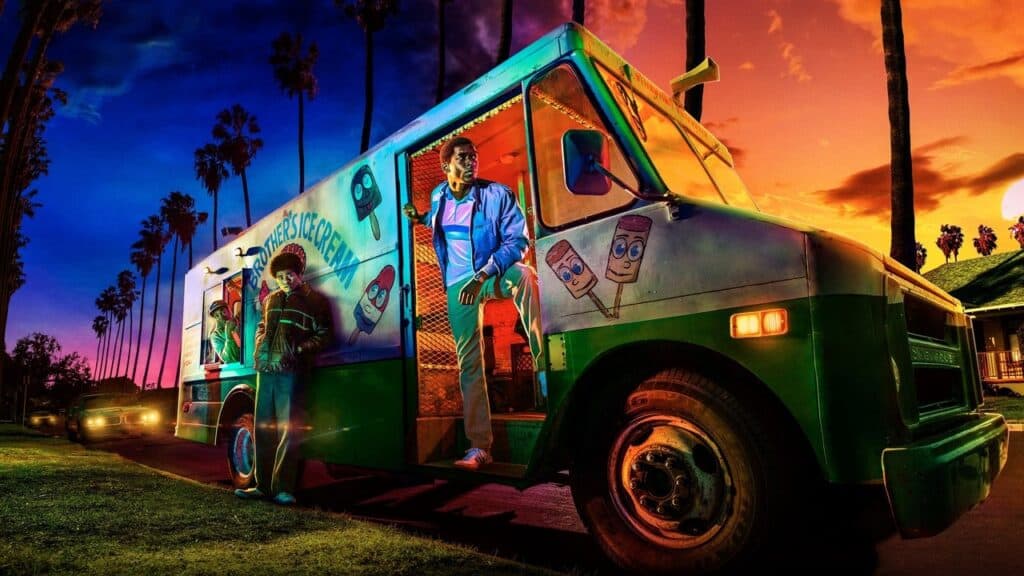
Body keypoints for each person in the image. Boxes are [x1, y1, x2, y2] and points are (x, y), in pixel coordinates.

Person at [403, 136, 545, 470]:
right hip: (457, 286)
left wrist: (481, 276)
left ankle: (544, 368)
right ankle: (479, 447)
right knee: (469, 364)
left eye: (474, 158)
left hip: (488, 274)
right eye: (463, 158)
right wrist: (419, 218)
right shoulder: (438, 194)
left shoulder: (497, 194)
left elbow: (518, 241)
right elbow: (439, 223)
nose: (471, 164)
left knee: (524, 275)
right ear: (446, 166)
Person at [235, 251, 333, 505]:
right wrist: (259, 344)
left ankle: (283, 488)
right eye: (280, 277)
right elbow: (261, 327)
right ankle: (261, 486)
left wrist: (299, 350)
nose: (285, 280)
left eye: (290, 275)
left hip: (292, 372)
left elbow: (324, 335)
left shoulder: (314, 301)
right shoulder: (271, 300)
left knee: (289, 431)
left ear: (299, 275)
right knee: (263, 429)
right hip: (265, 371)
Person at [208, 299, 240, 364]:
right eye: (217, 315)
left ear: (229, 310)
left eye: (223, 312)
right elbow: (227, 359)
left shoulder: (241, 320)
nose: (221, 317)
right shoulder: (216, 336)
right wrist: (229, 337)